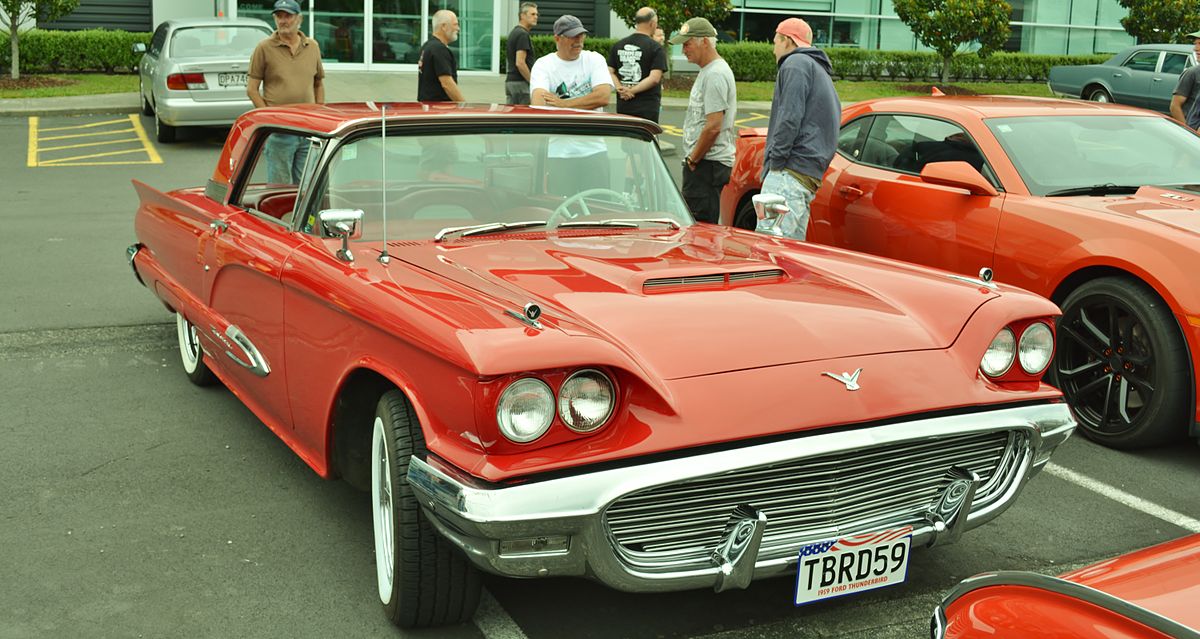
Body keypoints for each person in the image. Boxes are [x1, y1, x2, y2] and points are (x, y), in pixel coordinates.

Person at [756, 17, 840, 240]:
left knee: (771, 250)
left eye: (775, 41)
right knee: (792, 255)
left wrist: (776, 163)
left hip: (788, 173)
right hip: (804, 175)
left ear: (787, 40)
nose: (774, 48)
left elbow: (789, 118)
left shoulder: (795, 64)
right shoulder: (819, 70)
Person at [530, 15, 615, 196]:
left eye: (581, 35)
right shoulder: (544, 65)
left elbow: (603, 96)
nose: (578, 41)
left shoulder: (594, 59)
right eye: (572, 36)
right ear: (557, 38)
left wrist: (562, 104)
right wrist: (585, 102)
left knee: (599, 209)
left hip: (594, 149)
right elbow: (539, 104)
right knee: (561, 211)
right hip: (560, 152)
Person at [247, 0, 325, 184]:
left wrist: (320, 113)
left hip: (309, 129)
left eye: (288, 16)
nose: (283, 21)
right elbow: (252, 90)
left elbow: (318, 83)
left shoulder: (312, 46)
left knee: (307, 188)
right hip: (279, 132)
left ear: (299, 19)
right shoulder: (264, 48)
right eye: (279, 16)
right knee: (279, 189)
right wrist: (270, 119)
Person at [672, 17, 737, 224]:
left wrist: (693, 159)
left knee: (700, 230)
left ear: (705, 42)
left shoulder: (715, 73)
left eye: (687, 43)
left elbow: (713, 126)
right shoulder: (709, 71)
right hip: (704, 164)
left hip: (706, 165)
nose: (684, 50)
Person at [607, 7, 668, 122]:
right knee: (645, 139)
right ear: (652, 23)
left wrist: (620, 88)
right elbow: (654, 79)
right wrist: (631, 91)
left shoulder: (618, 45)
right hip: (647, 109)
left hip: (623, 106)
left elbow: (610, 71)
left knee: (625, 138)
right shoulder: (656, 48)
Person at [418, 10, 464, 102]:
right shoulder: (439, 49)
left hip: (427, 107)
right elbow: (447, 83)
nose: (458, 28)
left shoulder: (427, 46)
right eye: (455, 24)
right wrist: (463, 106)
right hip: (439, 110)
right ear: (444, 26)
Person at [505, 2, 539, 105]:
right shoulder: (522, 34)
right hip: (520, 84)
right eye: (532, 14)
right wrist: (532, 82)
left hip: (511, 82)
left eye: (537, 14)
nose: (536, 17)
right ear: (522, 15)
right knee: (524, 117)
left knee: (511, 116)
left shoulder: (514, 32)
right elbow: (520, 62)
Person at [1170, 30, 1200, 130]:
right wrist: (1189, 133)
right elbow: (1175, 106)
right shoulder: (1192, 73)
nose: (1195, 48)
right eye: (1195, 44)